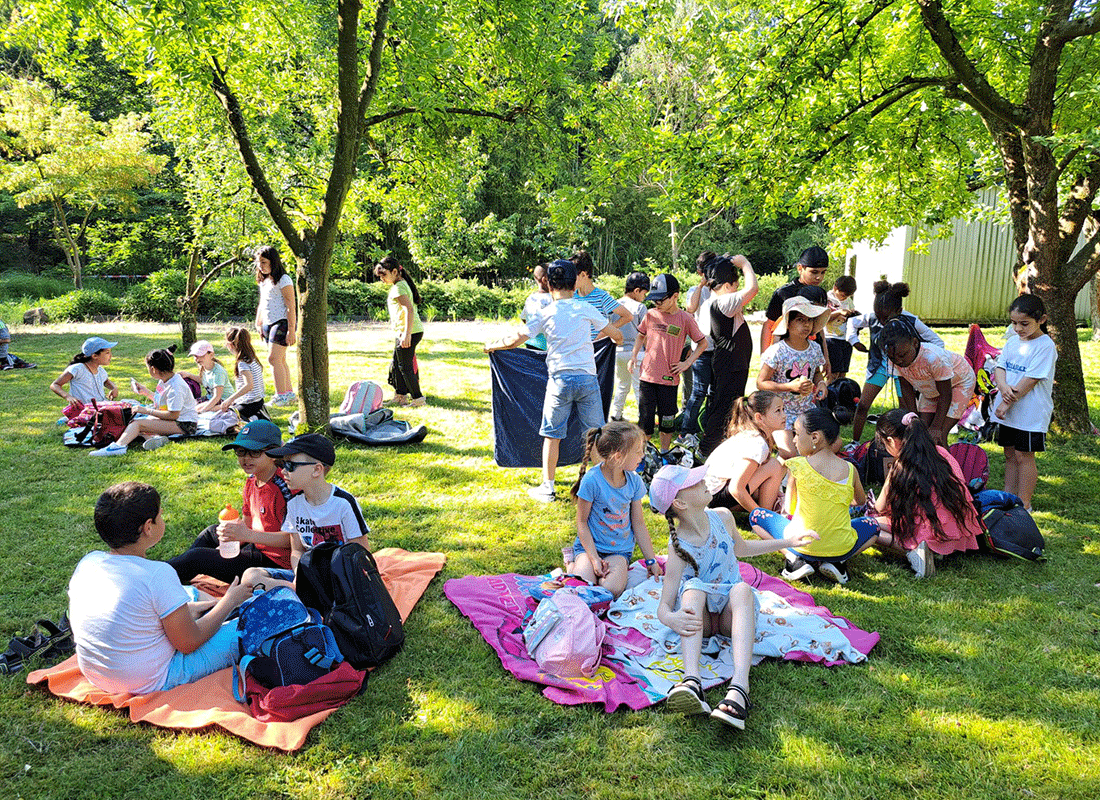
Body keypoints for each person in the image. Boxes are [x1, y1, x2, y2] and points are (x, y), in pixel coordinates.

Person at [650, 464, 817, 728]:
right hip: (701, 623)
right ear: (680, 502)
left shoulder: (723, 517)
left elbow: (743, 548)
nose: (703, 480)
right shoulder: (678, 545)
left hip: (731, 616)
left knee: (741, 588)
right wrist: (672, 619)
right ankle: (692, 680)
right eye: (694, 482)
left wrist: (790, 542)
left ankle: (740, 686)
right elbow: (664, 606)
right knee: (692, 588)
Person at [67, 482, 252, 694]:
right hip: (150, 679)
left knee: (187, 594)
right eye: (160, 516)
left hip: (97, 674)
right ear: (148, 527)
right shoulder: (157, 575)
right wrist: (230, 601)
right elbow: (189, 643)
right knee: (255, 622)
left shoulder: (88, 562)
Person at [484, 259, 623, 503]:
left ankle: (547, 488)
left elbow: (516, 339)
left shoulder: (544, 313)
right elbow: (618, 337)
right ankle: (603, 489)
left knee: (552, 435)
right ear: (574, 285)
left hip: (559, 382)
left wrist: (492, 346)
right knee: (595, 436)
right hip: (588, 380)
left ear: (549, 286)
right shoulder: (586, 308)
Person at [748, 408, 879, 585]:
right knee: (873, 526)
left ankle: (793, 558)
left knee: (756, 516)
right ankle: (837, 562)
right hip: (839, 546)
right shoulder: (850, 470)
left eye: (796, 433)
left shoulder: (797, 466)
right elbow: (861, 502)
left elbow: (790, 509)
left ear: (815, 437)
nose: (794, 439)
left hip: (800, 542)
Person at [168, 420, 294, 584]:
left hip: (275, 563)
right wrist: (233, 537)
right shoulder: (251, 481)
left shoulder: (286, 487)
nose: (245, 459)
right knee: (210, 532)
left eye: (254, 452)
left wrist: (246, 535)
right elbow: (247, 524)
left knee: (196, 558)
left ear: (274, 453)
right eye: (241, 452)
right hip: (255, 545)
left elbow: (293, 540)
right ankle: (173, 576)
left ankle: (156, 583)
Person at [241, 434, 369, 591]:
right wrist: (300, 574)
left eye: (290, 466)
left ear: (316, 469)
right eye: (282, 464)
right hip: (308, 574)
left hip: (340, 576)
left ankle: (298, 592)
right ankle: (297, 589)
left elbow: (361, 552)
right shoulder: (294, 504)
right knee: (250, 576)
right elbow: (296, 550)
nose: (283, 471)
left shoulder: (343, 503)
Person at [871, 411, 982, 578]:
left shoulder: (900, 466)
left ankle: (914, 550)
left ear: (891, 441)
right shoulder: (942, 453)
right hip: (957, 530)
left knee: (870, 526)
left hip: (928, 530)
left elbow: (880, 506)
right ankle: (935, 551)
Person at [566, 421, 663, 597]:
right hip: (589, 548)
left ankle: (581, 569)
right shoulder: (592, 481)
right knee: (581, 586)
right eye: (638, 451)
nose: (642, 455)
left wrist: (651, 560)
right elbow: (581, 523)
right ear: (618, 457)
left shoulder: (634, 482)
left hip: (618, 551)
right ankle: (571, 565)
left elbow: (639, 524)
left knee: (611, 590)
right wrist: (594, 559)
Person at [847, 281, 943, 441]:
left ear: (899, 310)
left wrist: (919, 358)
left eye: (886, 317)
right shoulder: (872, 318)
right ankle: (855, 442)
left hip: (904, 370)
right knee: (863, 405)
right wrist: (853, 340)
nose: (882, 321)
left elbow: (937, 342)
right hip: (879, 367)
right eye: (878, 316)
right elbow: (852, 322)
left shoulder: (911, 321)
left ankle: (905, 444)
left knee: (905, 410)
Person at [629, 273, 707, 451]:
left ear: (675, 296)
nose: (657, 304)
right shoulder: (650, 315)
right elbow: (641, 335)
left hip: (669, 381)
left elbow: (703, 343)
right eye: (654, 300)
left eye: (661, 300)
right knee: (645, 426)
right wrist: (634, 356)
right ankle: (643, 456)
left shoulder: (686, 319)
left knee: (666, 424)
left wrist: (687, 363)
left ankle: (664, 455)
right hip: (647, 378)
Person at [992, 295, 1057, 511]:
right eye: (1014, 323)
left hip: (1030, 412)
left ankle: (1023, 503)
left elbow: (1031, 380)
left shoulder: (1045, 346)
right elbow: (1000, 367)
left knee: (1024, 455)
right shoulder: (1012, 342)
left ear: (1042, 319)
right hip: (1008, 410)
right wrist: (1002, 387)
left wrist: (1005, 403)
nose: (1018, 328)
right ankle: (1008, 498)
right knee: (1009, 453)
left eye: (1024, 324)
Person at [698, 254, 759, 458]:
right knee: (725, 407)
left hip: (729, 362)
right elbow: (753, 289)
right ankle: (707, 449)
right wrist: (745, 264)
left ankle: (718, 445)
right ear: (726, 285)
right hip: (731, 363)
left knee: (725, 405)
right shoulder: (724, 301)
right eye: (735, 285)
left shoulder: (710, 303)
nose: (736, 289)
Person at [880, 317, 975, 446]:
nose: (899, 361)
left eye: (902, 355)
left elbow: (945, 395)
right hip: (931, 390)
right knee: (920, 432)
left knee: (939, 435)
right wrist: (913, 419)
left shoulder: (933, 358)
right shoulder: (895, 358)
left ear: (914, 342)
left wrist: (936, 426)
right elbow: (906, 390)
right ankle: (923, 465)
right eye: (893, 357)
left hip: (959, 384)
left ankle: (947, 466)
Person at [756, 295, 829, 458]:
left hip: (806, 409)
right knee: (790, 453)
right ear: (788, 323)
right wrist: (789, 387)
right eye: (800, 320)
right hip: (782, 412)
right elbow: (761, 383)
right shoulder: (778, 351)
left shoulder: (815, 349)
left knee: (830, 445)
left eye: (809, 320)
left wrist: (822, 384)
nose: (806, 325)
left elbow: (816, 372)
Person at [91, 345, 199, 455]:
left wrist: (146, 410)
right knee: (137, 422)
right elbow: (162, 402)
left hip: (185, 424)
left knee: (137, 424)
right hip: (175, 420)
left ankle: (118, 447)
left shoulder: (176, 387)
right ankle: (154, 438)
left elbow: (173, 415)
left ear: (153, 369)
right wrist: (145, 392)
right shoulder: (165, 379)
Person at [704, 391, 786, 513]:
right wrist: (760, 515)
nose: (784, 415)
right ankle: (765, 520)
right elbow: (736, 488)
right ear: (759, 417)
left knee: (770, 465)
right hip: (712, 497)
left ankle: (766, 512)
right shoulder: (757, 443)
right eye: (778, 411)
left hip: (707, 495)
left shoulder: (752, 435)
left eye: (783, 409)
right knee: (774, 466)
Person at [375, 255, 426, 408]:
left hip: (410, 331)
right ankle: (401, 396)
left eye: (383, 275)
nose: (382, 279)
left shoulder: (399, 287)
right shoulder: (400, 285)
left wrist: (406, 334)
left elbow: (409, 309)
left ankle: (418, 399)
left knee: (405, 366)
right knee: (397, 365)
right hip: (404, 331)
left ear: (395, 271)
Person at [761, 245, 830, 353]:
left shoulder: (820, 293)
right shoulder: (783, 293)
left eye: (823, 272)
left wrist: (826, 356)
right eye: (814, 272)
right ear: (800, 268)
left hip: (811, 353)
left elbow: (819, 328)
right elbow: (769, 325)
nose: (819, 277)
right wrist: (765, 356)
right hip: (785, 354)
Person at [678, 252, 715, 449]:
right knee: (698, 391)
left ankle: (707, 428)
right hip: (701, 348)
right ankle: (686, 432)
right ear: (700, 272)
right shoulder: (695, 289)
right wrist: (702, 285)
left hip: (720, 349)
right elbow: (690, 309)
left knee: (714, 393)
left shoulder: (721, 290)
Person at [253, 245, 297, 407]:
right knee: (280, 360)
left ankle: (281, 396)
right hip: (267, 323)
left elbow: (290, 305)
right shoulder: (264, 280)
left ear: (273, 261)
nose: (260, 266)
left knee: (273, 359)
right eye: (258, 262)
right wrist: (258, 322)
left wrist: (291, 330)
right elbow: (262, 303)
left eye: (264, 262)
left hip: (282, 322)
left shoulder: (284, 279)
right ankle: (289, 394)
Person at [610, 271, 649, 422]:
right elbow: (644, 334)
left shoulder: (614, 305)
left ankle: (616, 415)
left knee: (622, 385)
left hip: (618, 352)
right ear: (637, 290)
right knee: (640, 387)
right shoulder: (640, 307)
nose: (644, 297)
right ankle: (644, 418)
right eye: (644, 293)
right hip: (637, 353)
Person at [571, 250, 632, 336]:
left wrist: (604, 333)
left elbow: (628, 316)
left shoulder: (601, 296)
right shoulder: (571, 296)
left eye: (573, 276)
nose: (570, 279)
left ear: (583, 275)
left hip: (596, 347)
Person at [50, 336, 118, 406]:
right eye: (107, 353)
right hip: (83, 411)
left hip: (100, 408)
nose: (111, 355)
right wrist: (68, 396)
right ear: (94, 356)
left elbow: (106, 381)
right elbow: (55, 385)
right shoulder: (77, 369)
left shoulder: (100, 370)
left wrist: (113, 388)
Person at [219, 327, 269, 422]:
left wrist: (230, 399)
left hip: (250, 404)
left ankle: (252, 419)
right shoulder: (252, 358)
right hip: (258, 402)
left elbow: (249, 385)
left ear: (230, 345)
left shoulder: (242, 363)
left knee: (224, 419)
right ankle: (255, 416)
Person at [179, 340, 234, 413]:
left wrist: (203, 410)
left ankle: (230, 408)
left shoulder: (218, 372)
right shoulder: (204, 368)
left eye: (201, 355)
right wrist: (189, 375)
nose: (197, 359)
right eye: (195, 356)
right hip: (210, 397)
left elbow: (217, 396)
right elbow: (204, 380)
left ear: (211, 355)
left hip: (224, 400)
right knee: (187, 406)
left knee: (195, 410)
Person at [825, 275, 858, 382]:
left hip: (846, 339)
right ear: (835, 288)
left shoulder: (848, 301)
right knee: (833, 372)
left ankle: (839, 394)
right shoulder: (827, 298)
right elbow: (823, 318)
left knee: (842, 372)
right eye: (843, 295)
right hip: (831, 338)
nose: (845, 298)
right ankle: (828, 394)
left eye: (848, 296)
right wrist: (839, 312)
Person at [521, 263, 553, 352]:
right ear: (545, 279)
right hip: (546, 345)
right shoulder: (552, 299)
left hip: (530, 341)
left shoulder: (531, 298)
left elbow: (524, 318)